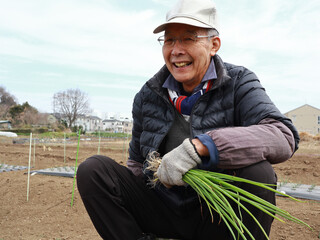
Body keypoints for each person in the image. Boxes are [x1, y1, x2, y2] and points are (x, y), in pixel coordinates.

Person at [77, 0, 299, 239]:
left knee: (259, 173)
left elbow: (283, 134)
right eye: (169, 40)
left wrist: (202, 146)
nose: (176, 50)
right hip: (162, 207)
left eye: (189, 38)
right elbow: (136, 163)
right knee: (94, 170)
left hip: (216, 212)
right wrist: (147, 180)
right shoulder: (148, 95)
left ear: (214, 45)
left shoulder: (239, 82)